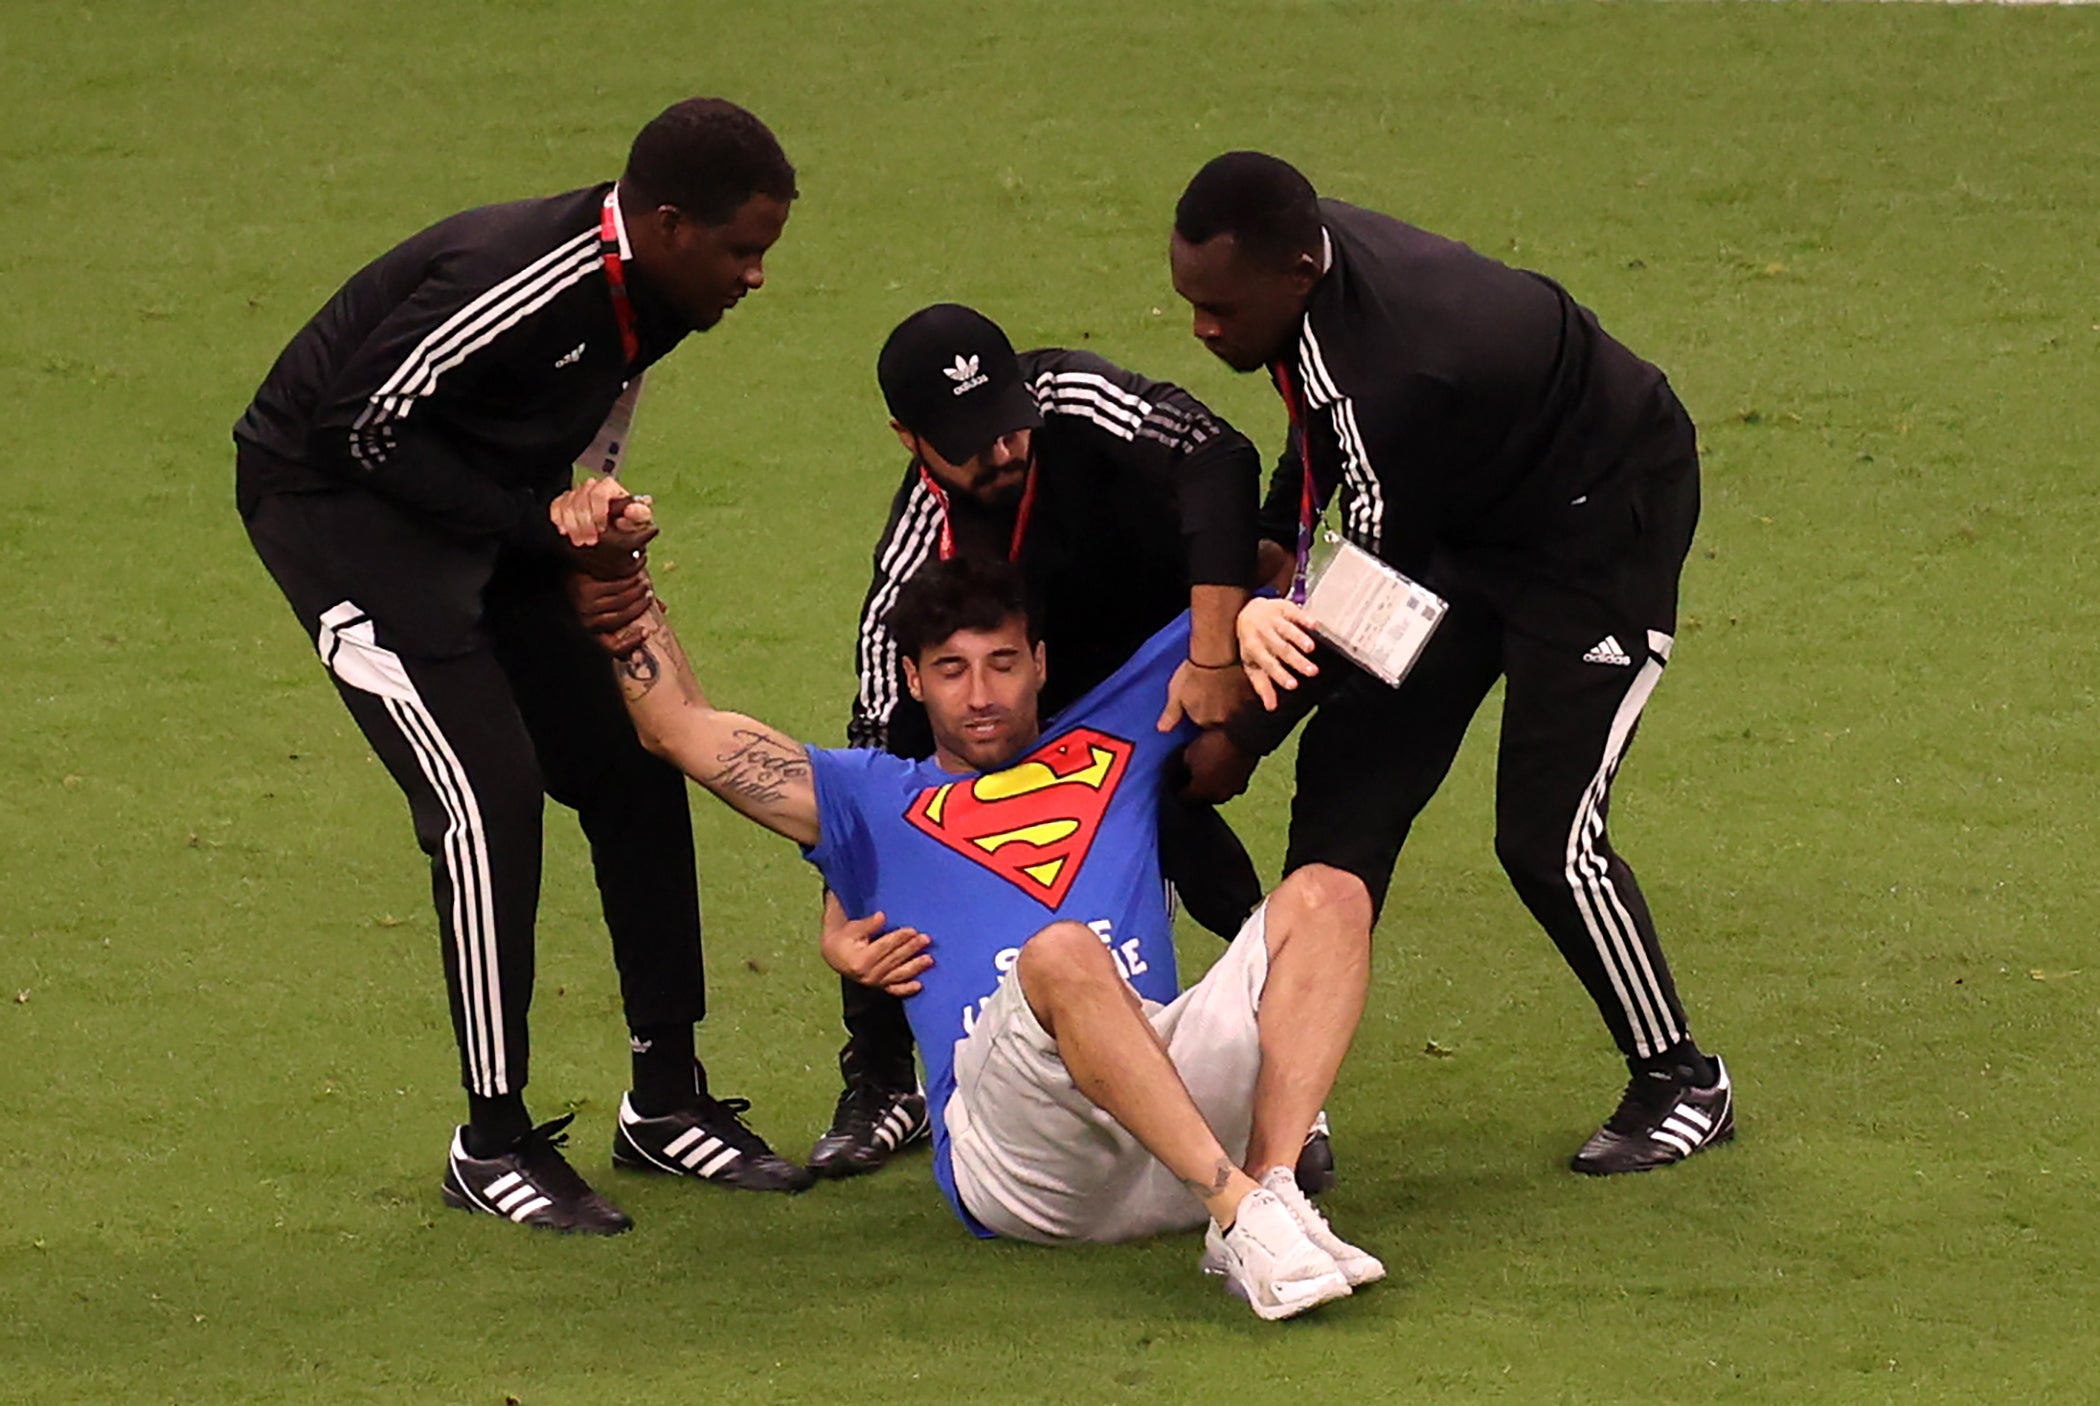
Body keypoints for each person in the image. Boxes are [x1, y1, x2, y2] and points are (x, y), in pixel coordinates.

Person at [559, 486, 1382, 1320]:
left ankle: (1273, 1198)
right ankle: (1240, 1214)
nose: (980, 694)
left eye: (1002, 663)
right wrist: (619, 573)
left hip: (1169, 1111)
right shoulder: (868, 799)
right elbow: (678, 726)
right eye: (952, 670)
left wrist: (1240, 624)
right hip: (1021, 1160)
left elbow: (1325, 588)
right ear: (914, 679)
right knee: (1060, 954)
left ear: (1041, 663)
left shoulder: (1116, 732)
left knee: (1331, 894)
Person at [232, 98, 812, 1236]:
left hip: (468, 498)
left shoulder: (663, 291)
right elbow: (361, 427)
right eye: (742, 249)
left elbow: (593, 407)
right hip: (335, 505)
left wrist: (584, 511)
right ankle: (489, 1138)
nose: (755, 276)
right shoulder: (528, 276)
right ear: (664, 219)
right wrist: (541, 530)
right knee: (485, 796)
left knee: (632, 759)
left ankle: (665, 1095)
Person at [1165, 151, 1735, 1175]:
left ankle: (1681, 1076)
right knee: (1351, 782)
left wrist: (1242, 730)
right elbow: (1324, 421)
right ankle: (1297, 1100)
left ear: (1299, 273)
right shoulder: (1301, 282)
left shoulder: (1400, 367)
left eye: (1219, 308)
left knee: (1546, 835)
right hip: (1465, 510)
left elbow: (1366, 601)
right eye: (1189, 302)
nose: (1202, 327)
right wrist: (1271, 537)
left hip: (1596, 528)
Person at [808, 303, 1279, 1180]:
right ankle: (879, 1080)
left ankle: (1283, 1061)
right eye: (969, 441)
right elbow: (867, 783)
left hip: (1173, 641)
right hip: (1042, 694)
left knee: (1183, 809)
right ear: (907, 438)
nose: (1002, 452)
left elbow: (1219, 454)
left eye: (1007, 424)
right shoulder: (916, 564)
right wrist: (841, 927)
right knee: (928, 831)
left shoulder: (1073, 392)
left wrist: (1217, 660)